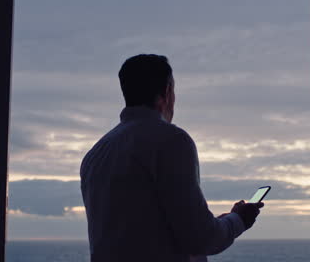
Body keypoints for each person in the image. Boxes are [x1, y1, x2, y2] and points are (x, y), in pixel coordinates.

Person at [80, 54, 264, 262]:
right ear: (167, 91)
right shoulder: (171, 140)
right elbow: (200, 239)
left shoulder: (96, 154)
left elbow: (139, 229)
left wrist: (217, 223)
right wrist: (239, 220)